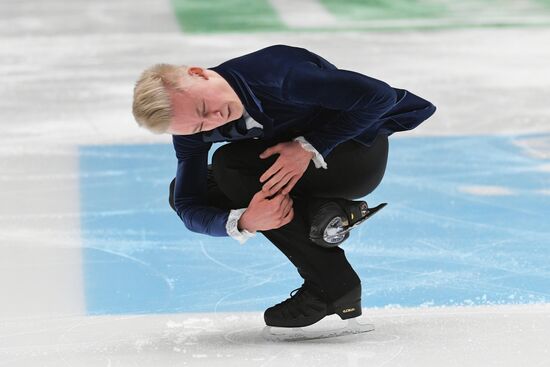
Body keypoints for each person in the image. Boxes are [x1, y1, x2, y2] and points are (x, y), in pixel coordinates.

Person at [132, 44, 436, 328]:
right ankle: (324, 212)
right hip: (297, 167)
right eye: (200, 126)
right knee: (193, 189)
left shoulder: (278, 76)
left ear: (198, 73)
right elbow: (187, 204)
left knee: (230, 165)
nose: (213, 119)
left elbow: (380, 97)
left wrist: (311, 146)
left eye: (202, 106)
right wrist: (245, 221)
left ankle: (331, 288)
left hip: (354, 154)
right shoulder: (191, 128)